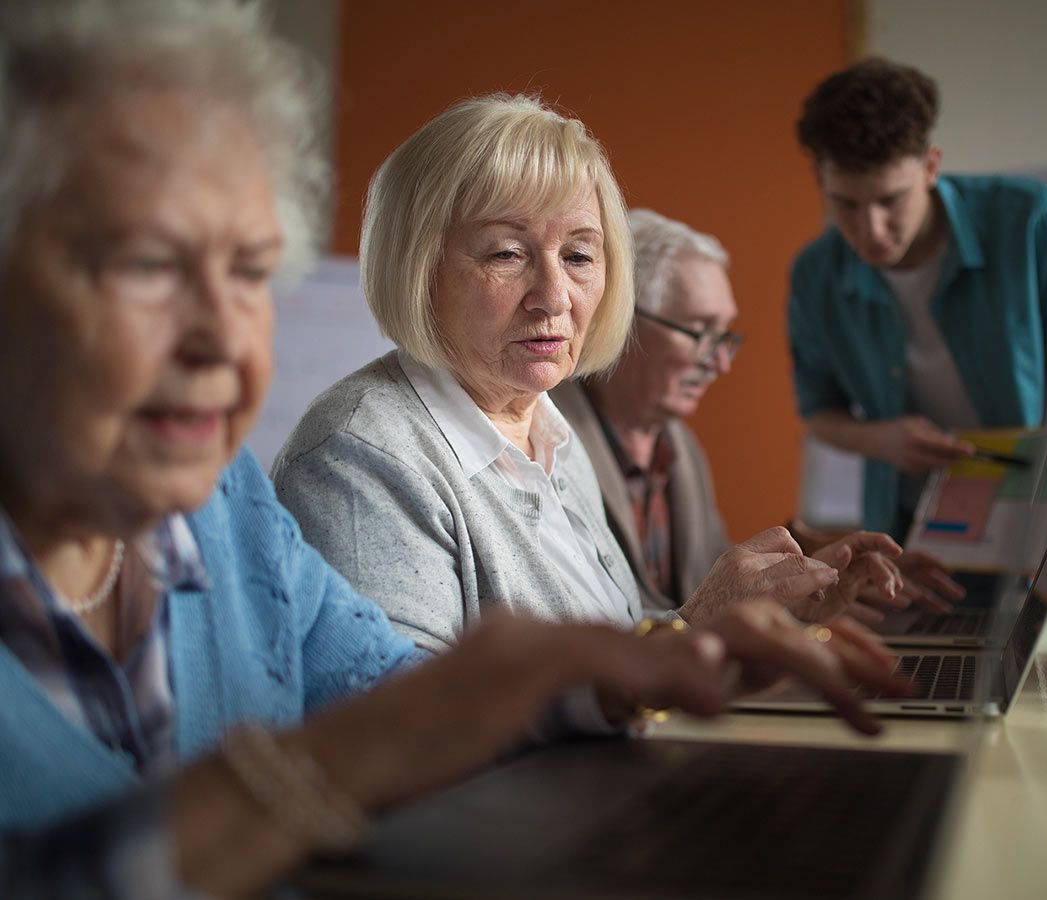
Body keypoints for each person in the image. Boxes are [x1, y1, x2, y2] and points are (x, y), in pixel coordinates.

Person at [0, 4, 906, 895]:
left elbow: (415, 701)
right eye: (147, 264)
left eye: (248, 271)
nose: (224, 342)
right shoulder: (356, 452)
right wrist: (321, 774)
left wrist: (646, 667)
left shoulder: (222, 503)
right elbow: (384, 742)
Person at [272, 95, 912, 671]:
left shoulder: (548, 430)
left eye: (579, 256)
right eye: (505, 253)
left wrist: (765, 618)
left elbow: (617, 645)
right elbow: (403, 735)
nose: (554, 297)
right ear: (417, 267)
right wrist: (692, 634)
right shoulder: (361, 458)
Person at [787, 57, 1047, 612]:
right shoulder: (816, 275)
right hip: (924, 550)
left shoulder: (1035, 223)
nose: (871, 231)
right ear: (821, 180)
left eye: (891, 200)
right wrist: (882, 439)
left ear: (931, 166)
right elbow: (820, 412)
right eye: (846, 205)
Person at [552, 208, 963, 616]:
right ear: (620, 319)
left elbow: (706, 592)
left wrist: (815, 573)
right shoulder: (543, 443)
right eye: (699, 332)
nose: (720, 363)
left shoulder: (678, 445)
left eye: (724, 335)